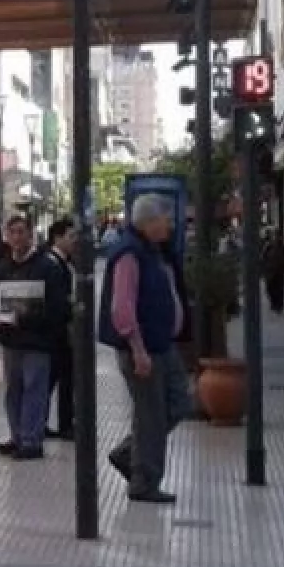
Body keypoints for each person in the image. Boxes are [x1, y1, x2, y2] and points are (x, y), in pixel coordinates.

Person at [99, 194, 191, 505]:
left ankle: (130, 453)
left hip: (163, 343)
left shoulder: (155, 250)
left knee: (179, 402)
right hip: (144, 347)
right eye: (167, 219)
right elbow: (122, 307)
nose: (171, 225)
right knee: (150, 415)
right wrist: (137, 348)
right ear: (149, 222)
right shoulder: (130, 254)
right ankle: (144, 481)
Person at [0, 215, 70, 461]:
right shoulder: (3, 267)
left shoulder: (48, 267)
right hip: (11, 341)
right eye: (12, 232)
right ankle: (17, 436)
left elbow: (57, 308)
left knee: (35, 388)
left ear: (31, 234)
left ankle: (31, 440)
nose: (16, 237)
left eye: (21, 231)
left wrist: (26, 319)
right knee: (13, 390)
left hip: (37, 341)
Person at [43, 218, 79, 440]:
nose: (75, 241)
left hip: (62, 332)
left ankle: (57, 421)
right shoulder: (52, 264)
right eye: (71, 236)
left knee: (63, 379)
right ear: (57, 238)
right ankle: (59, 423)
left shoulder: (66, 262)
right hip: (57, 333)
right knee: (58, 378)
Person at [262, 230, 284, 315]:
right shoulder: (268, 247)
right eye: (275, 236)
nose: (276, 238)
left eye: (277, 236)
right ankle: (274, 303)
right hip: (270, 272)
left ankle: (279, 305)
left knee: (280, 289)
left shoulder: (283, 247)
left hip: (280, 272)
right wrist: (263, 270)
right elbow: (263, 258)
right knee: (270, 289)